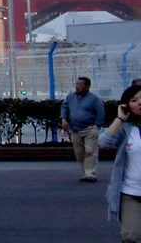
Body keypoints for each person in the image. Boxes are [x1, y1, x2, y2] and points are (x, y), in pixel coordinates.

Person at [99, 84, 141, 241]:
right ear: (127, 105)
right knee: (131, 236)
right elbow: (104, 143)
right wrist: (120, 119)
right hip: (131, 193)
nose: (139, 103)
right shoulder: (126, 129)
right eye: (134, 100)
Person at [61, 77, 104, 182]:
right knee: (79, 153)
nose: (77, 86)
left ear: (87, 87)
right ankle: (85, 171)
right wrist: (63, 119)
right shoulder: (71, 97)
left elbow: (100, 112)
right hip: (75, 129)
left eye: (80, 85)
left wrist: (97, 125)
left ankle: (90, 173)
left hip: (89, 128)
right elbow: (64, 107)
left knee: (90, 151)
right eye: (77, 84)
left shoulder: (94, 99)